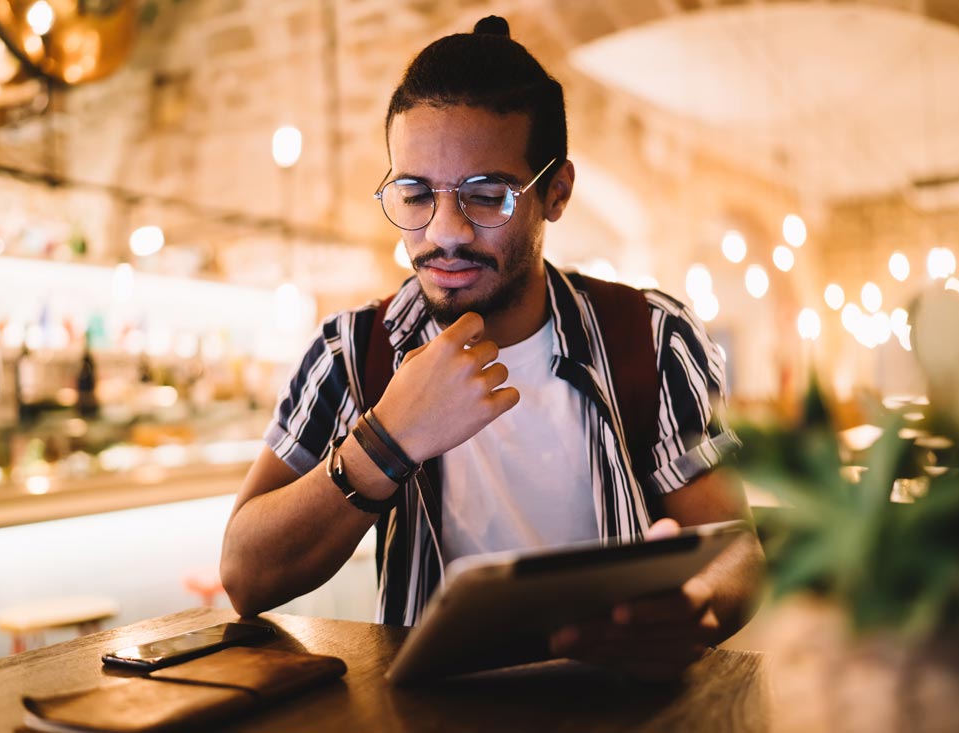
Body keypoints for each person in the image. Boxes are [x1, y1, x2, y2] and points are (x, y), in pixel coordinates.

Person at [221, 15, 765, 682]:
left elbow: (737, 551)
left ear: (556, 193)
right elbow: (245, 574)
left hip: (626, 708)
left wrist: (695, 607)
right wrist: (387, 439)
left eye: (486, 196)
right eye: (414, 194)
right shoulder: (351, 352)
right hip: (426, 713)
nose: (444, 232)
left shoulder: (650, 335)